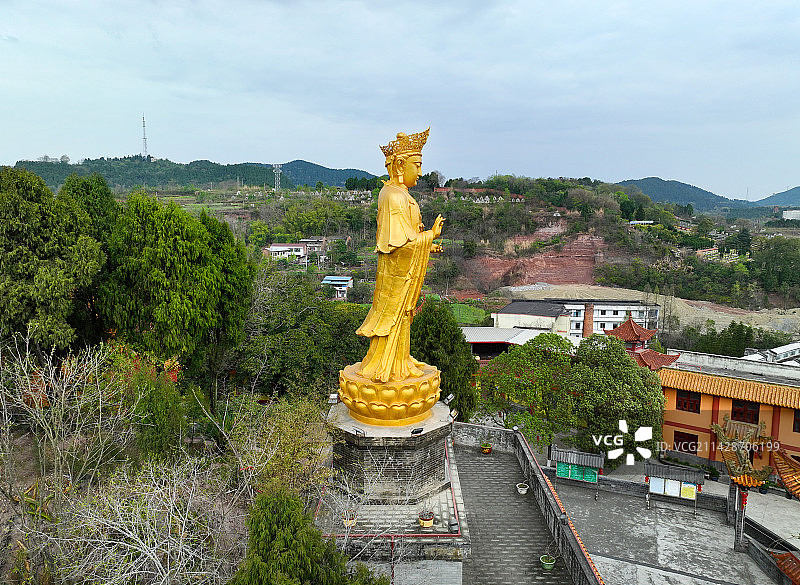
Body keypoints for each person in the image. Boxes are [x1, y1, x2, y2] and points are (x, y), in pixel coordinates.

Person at [355, 129, 444, 383]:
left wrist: (427, 245)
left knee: (405, 315)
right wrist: (431, 236)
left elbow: (408, 238)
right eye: (417, 165)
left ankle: (400, 361)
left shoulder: (400, 194)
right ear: (400, 164)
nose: (420, 172)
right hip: (396, 275)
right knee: (395, 317)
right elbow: (402, 243)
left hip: (402, 272)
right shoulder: (394, 195)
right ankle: (386, 365)